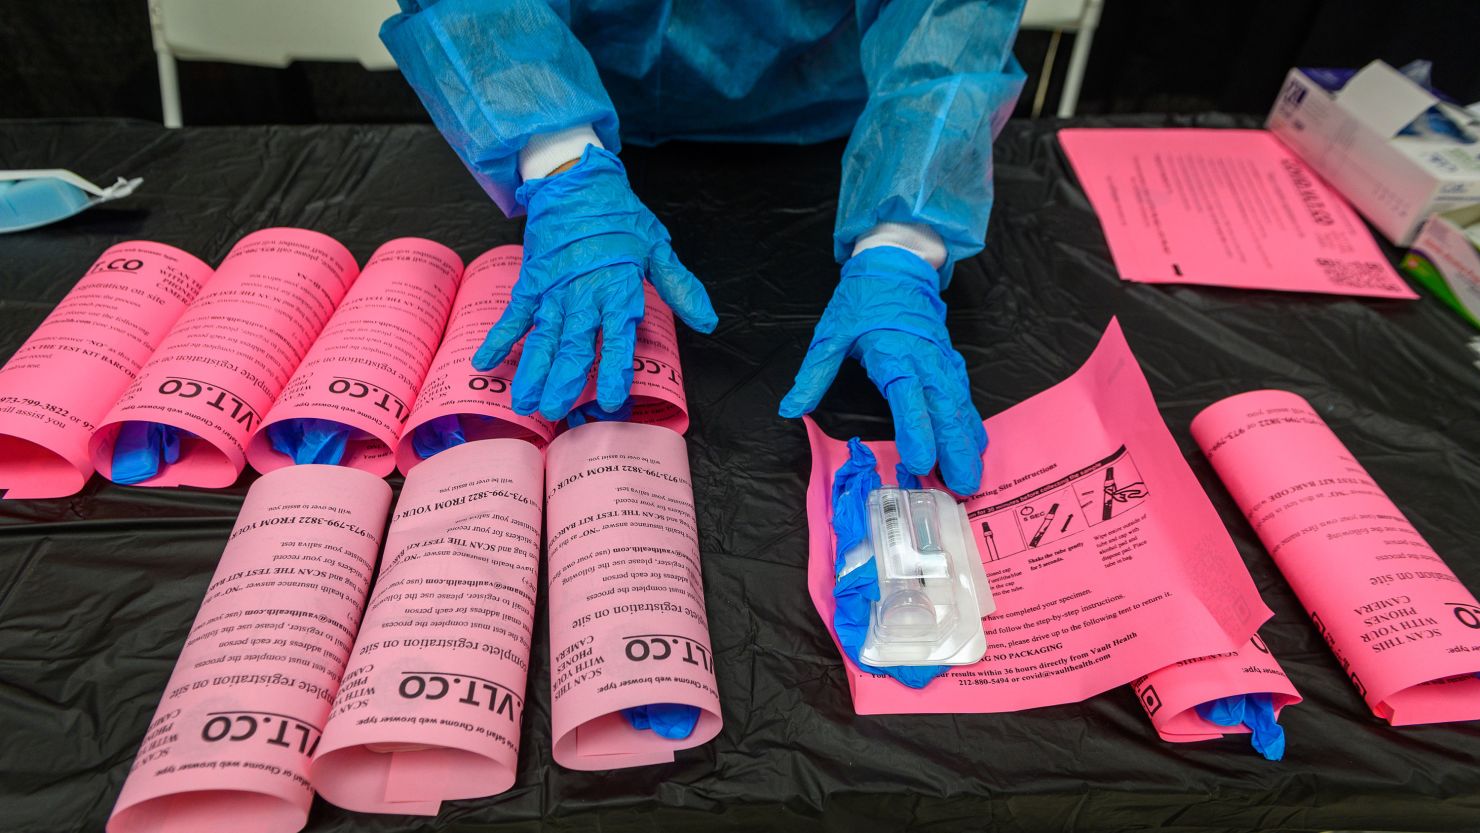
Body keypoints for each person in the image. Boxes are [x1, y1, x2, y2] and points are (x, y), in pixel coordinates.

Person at [381, 0, 1026, 495]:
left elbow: (954, 17)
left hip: (834, 133)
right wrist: (557, 156)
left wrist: (904, 239)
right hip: (568, 100)